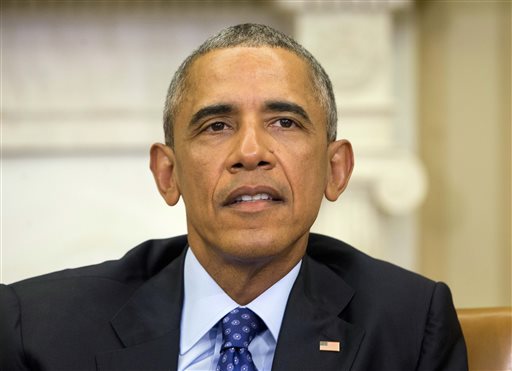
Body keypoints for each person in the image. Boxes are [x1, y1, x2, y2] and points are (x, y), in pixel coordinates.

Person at [0, 23, 467, 371]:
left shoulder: (408, 327)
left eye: (284, 122)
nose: (250, 153)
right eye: (216, 126)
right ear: (168, 173)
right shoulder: (37, 331)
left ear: (335, 169)